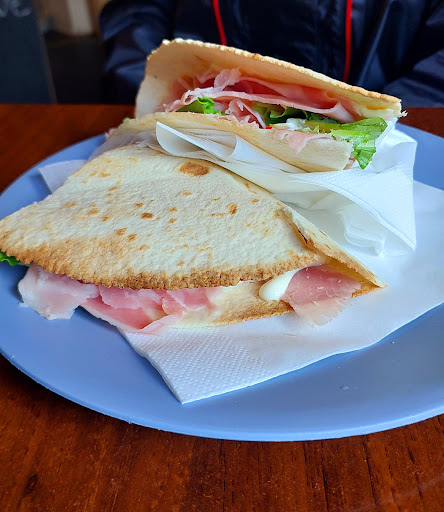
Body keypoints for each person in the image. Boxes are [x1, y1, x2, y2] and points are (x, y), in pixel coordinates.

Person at [100, 0, 444, 106]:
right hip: (191, 118)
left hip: (392, 131)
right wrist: (153, 93)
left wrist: (384, 122)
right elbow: (138, 15)